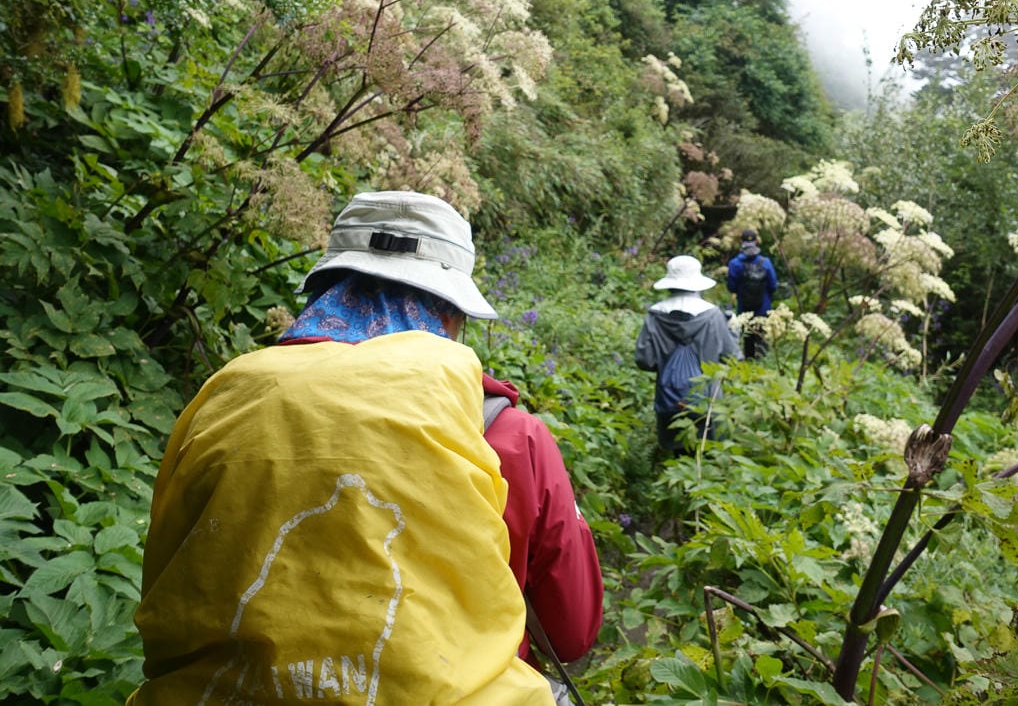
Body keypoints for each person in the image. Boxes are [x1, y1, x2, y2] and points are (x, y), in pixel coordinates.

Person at [131, 190, 602, 705]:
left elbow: (163, 586)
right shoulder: (504, 434)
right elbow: (571, 633)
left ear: (325, 293)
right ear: (450, 315)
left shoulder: (225, 399)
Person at [635, 254, 739, 453]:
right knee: (705, 453)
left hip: (669, 398)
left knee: (676, 453)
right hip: (707, 401)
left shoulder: (655, 315)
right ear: (698, 283)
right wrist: (733, 331)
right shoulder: (714, 315)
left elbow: (644, 360)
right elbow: (731, 356)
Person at [726, 228, 778, 359]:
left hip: (744, 308)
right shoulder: (765, 262)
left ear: (741, 242)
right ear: (756, 242)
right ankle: (763, 365)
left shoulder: (734, 264)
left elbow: (731, 287)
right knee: (761, 337)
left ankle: (748, 364)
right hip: (763, 307)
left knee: (748, 337)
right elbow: (773, 285)